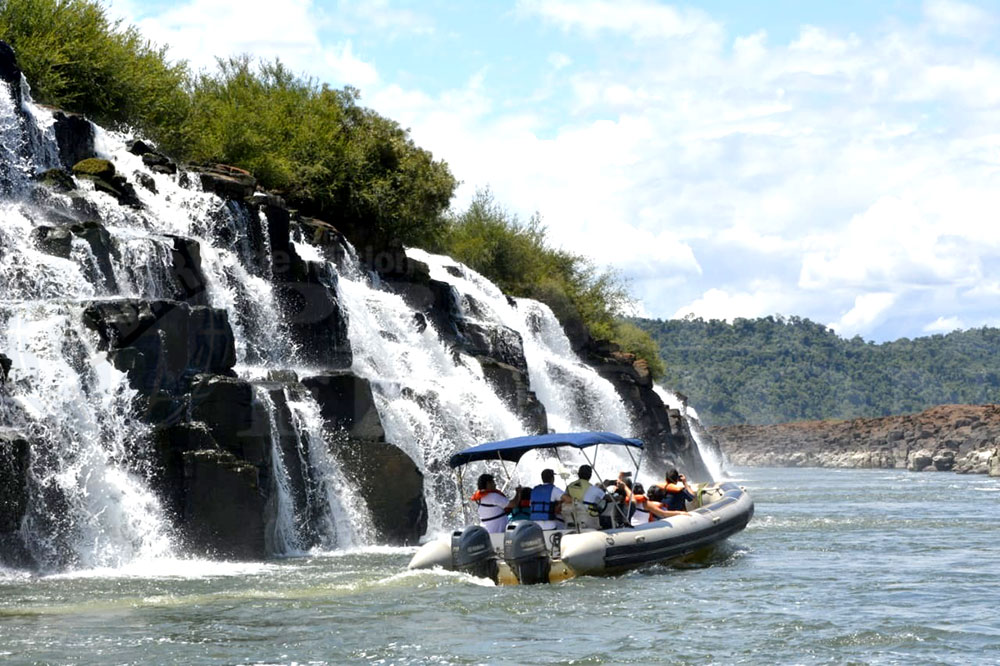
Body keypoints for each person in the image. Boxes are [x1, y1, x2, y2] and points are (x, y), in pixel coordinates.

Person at [562, 464, 607, 530]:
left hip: (570, 520)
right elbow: (608, 498)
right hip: (587, 520)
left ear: (578, 474)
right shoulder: (592, 488)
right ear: (590, 475)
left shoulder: (569, 486)